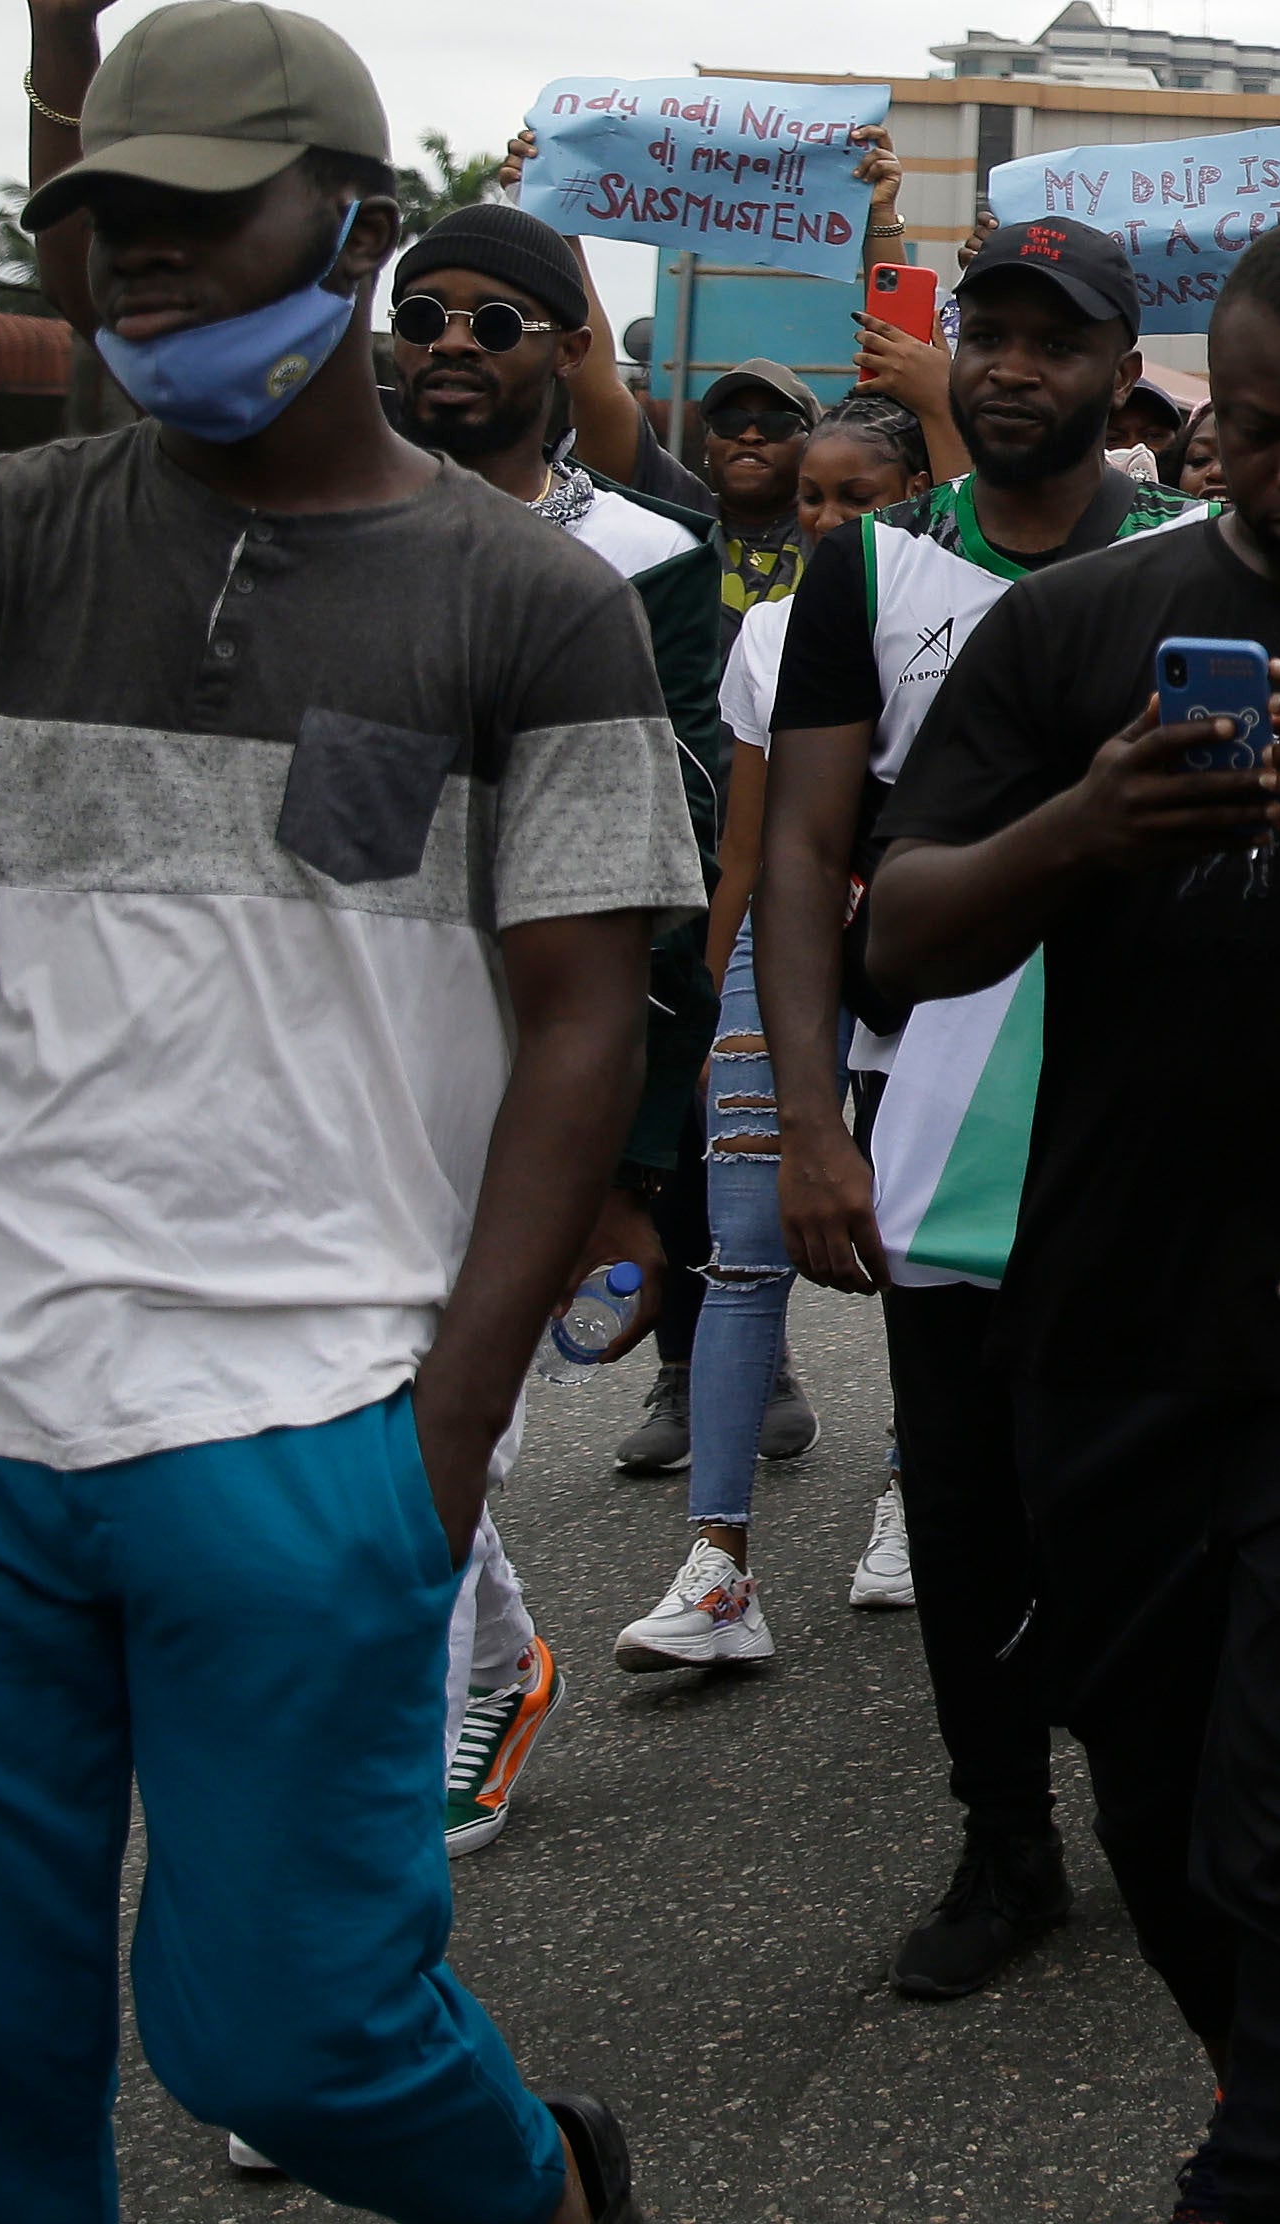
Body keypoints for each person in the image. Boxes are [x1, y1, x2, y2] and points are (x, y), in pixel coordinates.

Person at [0, 0, 675, 2224]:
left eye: (203, 212)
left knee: (292, 2044)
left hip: (305, 1406)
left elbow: (582, 1024)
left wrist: (442, 1437)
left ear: (357, 236)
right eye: (108, 212)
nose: (142, 256)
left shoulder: (538, 605)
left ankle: (538, 2189)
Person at [863, 214, 1280, 2224]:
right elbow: (901, 936)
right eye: (1247, 428)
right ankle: (1268, 2080)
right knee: (1164, 1809)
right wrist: (1086, 823)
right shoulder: (1079, 630)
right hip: (1104, 1320)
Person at [748, 210, 1199, 1998]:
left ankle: (1185, 1830)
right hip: (930, 1122)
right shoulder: (867, 573)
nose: (1012, 367)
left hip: (1154, 1115)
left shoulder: (1193, 554)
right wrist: (800, 1118)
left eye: (1052, 339)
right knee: (963, 1505)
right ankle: (1003, 1839)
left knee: (1159, 1514)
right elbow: (798, 850)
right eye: (985, 336)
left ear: (1117, 371)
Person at [382, 198, 750, 1859]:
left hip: (525, 1057)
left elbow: (670, 845)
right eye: (422, 314)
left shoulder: (646, 558)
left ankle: (388, 1779)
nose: (450, 341)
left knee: (425, 1413)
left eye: (491, 318)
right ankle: (471, 1674)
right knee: (359, 1419)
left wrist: (642, 1156)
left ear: (562, 347)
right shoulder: (327, 527)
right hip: (341, 1035)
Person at [612, 395, 917, 1485]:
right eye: (812, 499)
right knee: (743, 1245)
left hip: (919, 957)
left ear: (921, 499)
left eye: (860, 499)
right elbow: (744, 849)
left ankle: (906, 1501)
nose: (827, 520)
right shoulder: (771, 634)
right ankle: (716, 1552)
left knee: (913, 1241)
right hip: (779, 950)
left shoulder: (965, 613)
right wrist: (704, 1008)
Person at [685, 361, 822, 614]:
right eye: (729, 421)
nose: (749, 436)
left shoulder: (830, 535)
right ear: (707, 445)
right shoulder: (683, 513)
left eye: (776, 423)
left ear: (811, 447)